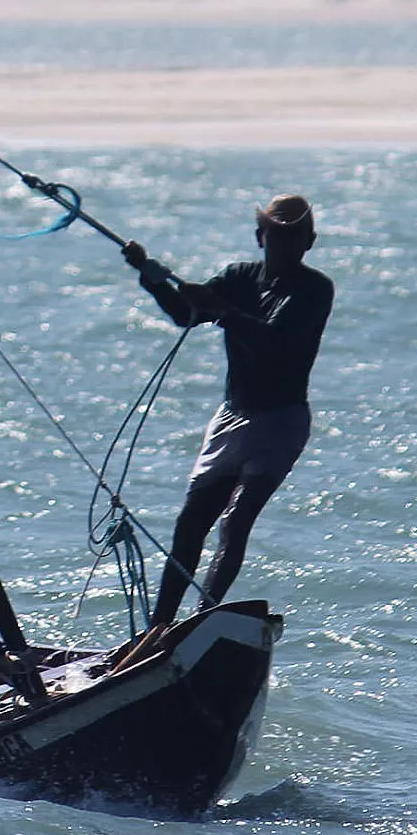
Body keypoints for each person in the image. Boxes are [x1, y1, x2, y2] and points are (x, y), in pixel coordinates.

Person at [120, 194, 333, 652]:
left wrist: (223, 311)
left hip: (281, 423)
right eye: (277, 234)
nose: (285, 243)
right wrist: (152, 278)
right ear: (261, 237)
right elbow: (185, 314)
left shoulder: (315, 290)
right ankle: (159, 629)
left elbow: (275, 339)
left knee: (235, 524)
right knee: (189, 523)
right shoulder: (240, 277)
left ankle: (199, 623)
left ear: (310, 241)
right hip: (233, 418)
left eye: (295, 236)